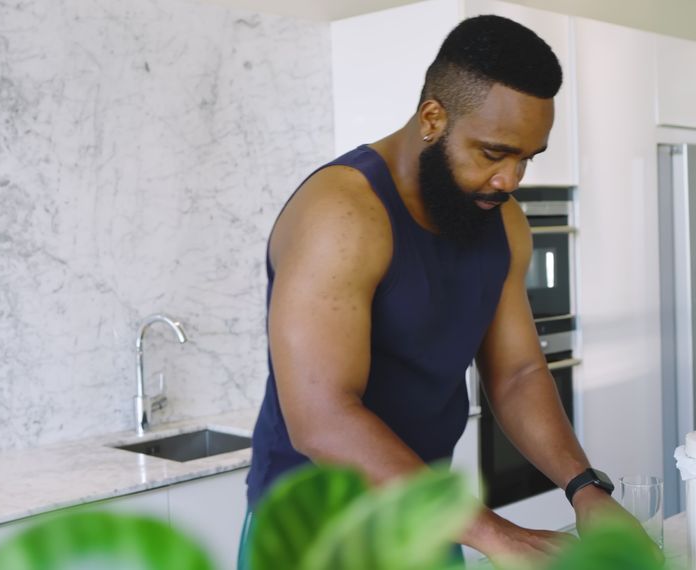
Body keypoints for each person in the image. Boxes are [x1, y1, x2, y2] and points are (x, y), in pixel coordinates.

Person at [240, 14, 627, 566]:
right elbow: (323, 419)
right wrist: (498, 534)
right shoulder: (343, 214)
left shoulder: (504, 222)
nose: (510, 181)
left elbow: (517, 375)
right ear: (432, 118)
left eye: (527, 158)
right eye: (494, 153)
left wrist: (584, 487)